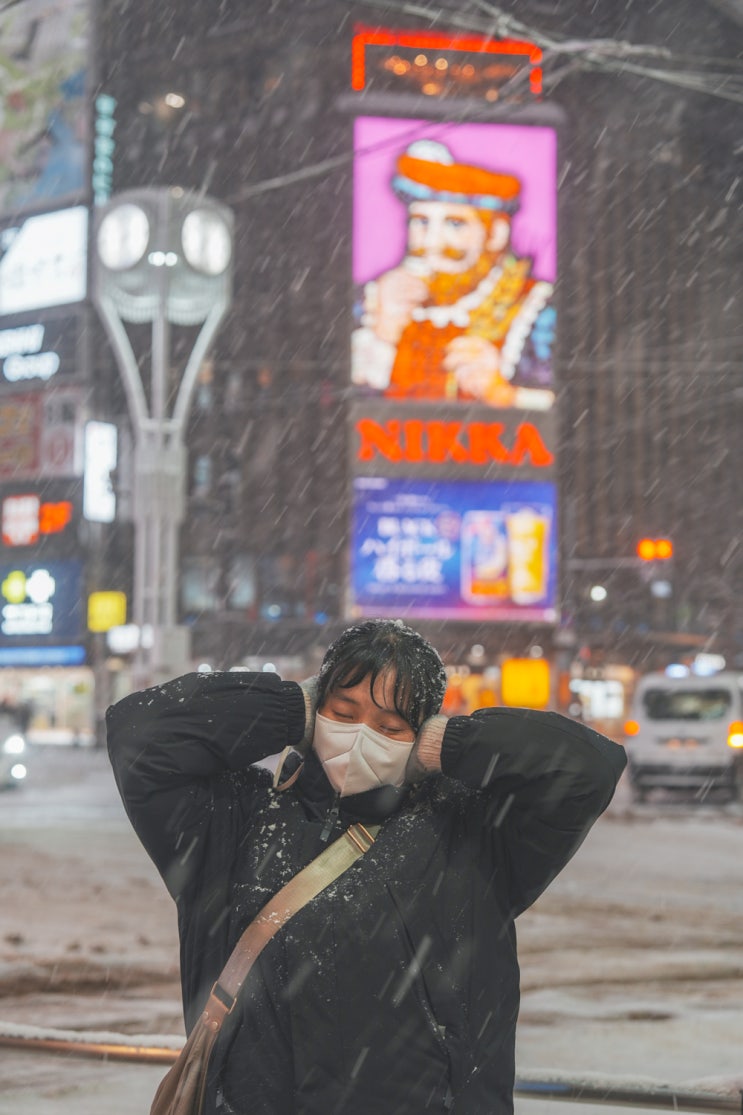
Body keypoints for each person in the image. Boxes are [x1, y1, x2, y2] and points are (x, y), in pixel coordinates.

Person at [107, 619, 626, 1114]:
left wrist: (452, 745)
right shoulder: (234, 822)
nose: (360, 737)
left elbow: (590, 769)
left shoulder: (473, 836)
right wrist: (290, 708)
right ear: (317, 710)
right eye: (344, 710)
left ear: (421, 737)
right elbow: (139, 734)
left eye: (390, 725)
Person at [352, 140, 556, 410]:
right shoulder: (372, 301)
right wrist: (383, 335)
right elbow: (332, 399)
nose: (432, 243)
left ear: (496, 235)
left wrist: (505, 394)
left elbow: (575, 407)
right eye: (421, 222)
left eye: (455, 224)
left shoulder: (537, 309)